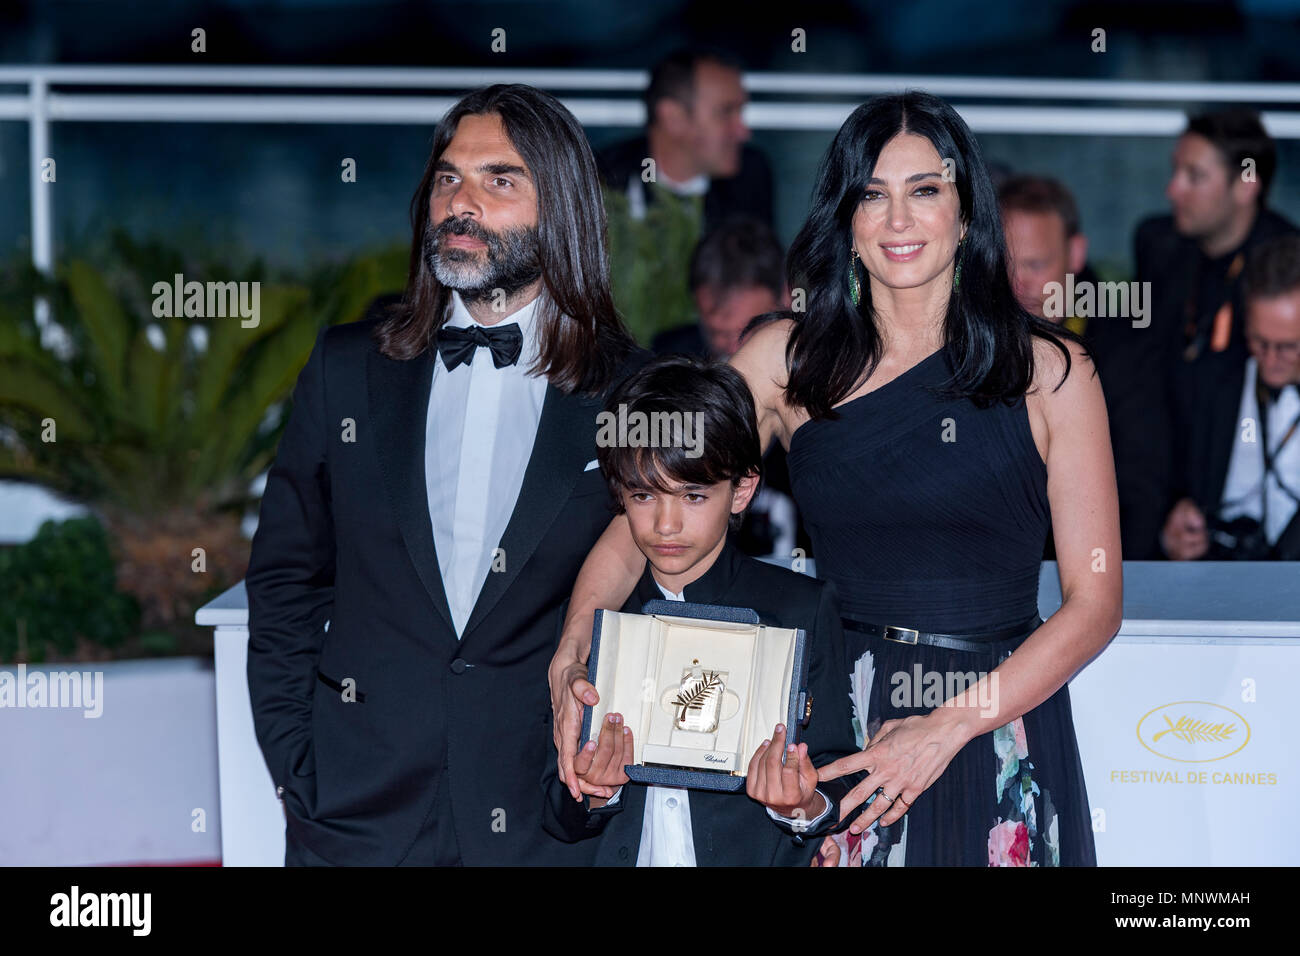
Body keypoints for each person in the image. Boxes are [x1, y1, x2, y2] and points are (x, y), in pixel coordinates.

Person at [549, 90, 1122, 867]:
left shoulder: (1051, 371)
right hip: (840, 724)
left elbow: (1095, 605)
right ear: (845, 219)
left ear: (966, 212)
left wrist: (950, 723)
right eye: (872, 195)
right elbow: (653, 505)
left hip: (997, 718)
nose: (899, 220)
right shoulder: (786, 360)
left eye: (925, 191)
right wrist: (575, 646)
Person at [246, 83, 644, 866]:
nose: (461, 202)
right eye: (448, 178)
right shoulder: (347, 368)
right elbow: (286, 580)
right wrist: (301, 770)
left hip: (546, 815)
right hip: (357, 811)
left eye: (500, 180)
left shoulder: (631, 390)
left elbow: (667, 581)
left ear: (559, 206)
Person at [540, 355, 861, 865]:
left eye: (693, 496)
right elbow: (554, 810)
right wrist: (595, 789)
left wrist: (800, 802)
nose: (666, 525)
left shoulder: (799, 607)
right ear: (619, 491)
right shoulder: (596, 617)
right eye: (644, 495)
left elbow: (837, 772)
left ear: (742, 490)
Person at [1134, 110, 1298, 557]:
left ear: (1246, 184)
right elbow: (1146, 392)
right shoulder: (1159, 248)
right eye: (1175, 171)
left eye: (1194, 176)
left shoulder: (1286, 274)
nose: (1172, 190)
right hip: (1178, 497)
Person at [999, 174, 1164, 562]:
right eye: (1005, 263)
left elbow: (1140, 493)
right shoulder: (966, 339)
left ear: (1075, 254)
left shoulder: (1126, 348)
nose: (1018, 283)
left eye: (1036, 265)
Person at [651, 217, 801, 559]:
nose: (735, 351)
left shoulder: (829, 371)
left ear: (787, 296)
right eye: (717, 334)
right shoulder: (669, 366)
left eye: (748, 331)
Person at [1161, 235, 1300, 561]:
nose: (1270, 358)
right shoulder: (1209, 381)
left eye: (1289, 346)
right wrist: (1172, 532)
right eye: (1258, 341)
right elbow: (1164, 486)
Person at [596, 46, 774, 234]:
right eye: (726, 112)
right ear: (673, 118)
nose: (743, 131)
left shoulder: (749, 177)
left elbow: (759, 259)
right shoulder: (604, 179)